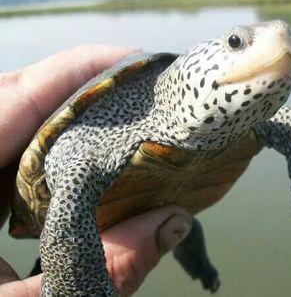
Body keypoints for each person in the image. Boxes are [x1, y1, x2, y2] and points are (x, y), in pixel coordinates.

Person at [0, 45, 191, 296]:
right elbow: (72, 189)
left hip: (176, 184)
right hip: (70, 184)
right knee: (75, 187)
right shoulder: (124, 106)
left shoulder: (241, 111)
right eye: (235, 43)